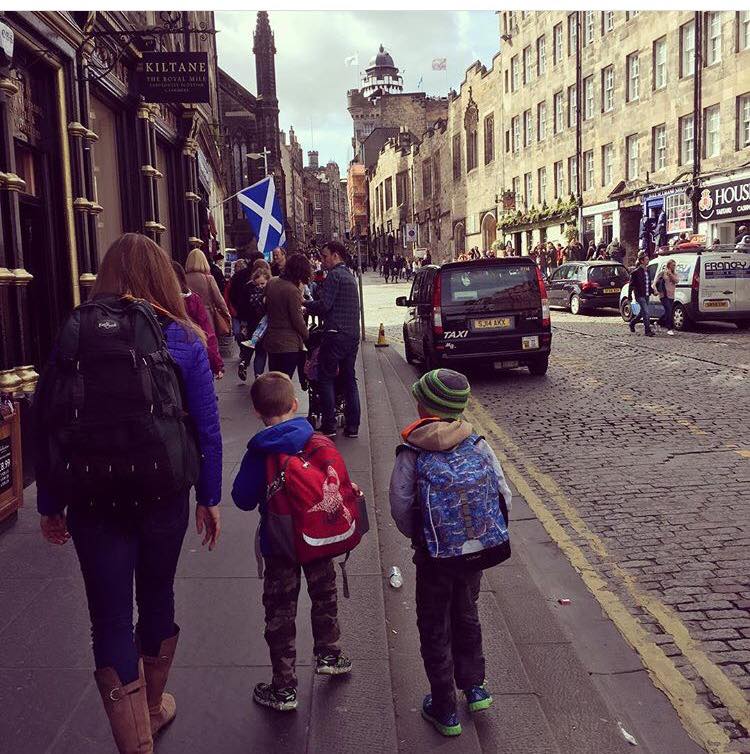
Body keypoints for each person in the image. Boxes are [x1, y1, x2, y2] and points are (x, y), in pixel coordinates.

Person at [35, 233, 222, 753]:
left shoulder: (76, 335)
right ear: (164, 276)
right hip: (164, 496)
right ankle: (155, 706)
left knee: (110, 617)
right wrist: (209, 496)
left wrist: (51, 505)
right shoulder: (184, 339)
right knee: (157, 595)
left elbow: (49, 422)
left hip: (92, 501)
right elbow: (206, 427)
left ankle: (134, 741)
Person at [389, 369, 512, 738]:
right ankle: (475, 688)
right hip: (474, 554)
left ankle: (444, 708)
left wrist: (423, 536)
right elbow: (503, 494)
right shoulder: (477, 443)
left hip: (434, 558)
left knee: (434, 626)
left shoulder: (412, 449)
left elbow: (399, 503)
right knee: (467, 613)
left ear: (423, 407)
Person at [232, 372, 352, 712]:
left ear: (256, 412)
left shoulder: (259, 452)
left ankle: (284, 688)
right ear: (295, 404)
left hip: (279, 543)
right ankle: (330, 655)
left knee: (280, 612)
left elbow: (241, 498)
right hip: (317, 538)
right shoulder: (315, 439)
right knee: (324, 595)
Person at [303, 240, 361, 439]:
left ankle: (329, 425)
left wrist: (305, 303)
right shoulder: (349, 276)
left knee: (326, 378)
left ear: (336, 255)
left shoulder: (334, 276)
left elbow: (325, 306)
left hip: (335, 335)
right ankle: (353, 426)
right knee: (349, 379)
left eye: (325, 256)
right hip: (352, 335)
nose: (323, 260)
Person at [263, 253, 311, 384]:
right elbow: (297, 320)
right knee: (285, 382)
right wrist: (307, 336)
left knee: (274, 380)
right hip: (288, 344)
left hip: (272, 340)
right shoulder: (292, 290)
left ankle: (273, 404)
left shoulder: (272, 282)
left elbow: (265, 306)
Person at [172, 261, 224, 378]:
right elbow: (207, 333)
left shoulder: (156, 303)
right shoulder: (195, 296)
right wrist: (216, 364)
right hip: (194, 352)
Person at [185, 248, 231, 338]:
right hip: (207, 317)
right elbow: (219, 301)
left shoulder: (183, 279)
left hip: (189, 318)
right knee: (209, 344)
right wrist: (227, 316)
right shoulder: (209, 279)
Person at [629, 251, 654, 336]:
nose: (648, 260)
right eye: (646, 259)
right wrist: (630, 296)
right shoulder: (636, 272)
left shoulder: (648, 271)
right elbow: (631, 285)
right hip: (640, 295)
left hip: (646, 294)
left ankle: (632, 323)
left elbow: (648, 284)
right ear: (641, 261)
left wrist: (653, 291)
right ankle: (647, 330)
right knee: (646, 312)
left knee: (642, 313)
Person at [654, 258, 679, 336]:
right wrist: (656, 291)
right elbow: (655, 283)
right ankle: (669, 328)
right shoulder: (662, 273)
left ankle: (658, 322)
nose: (674, 267)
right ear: (668, 265)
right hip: (663, 295)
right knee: (668, 310)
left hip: (671, 295)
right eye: (672, 265)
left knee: (669, 311)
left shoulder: (674, 274)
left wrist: (670, 274)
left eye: (675, 265)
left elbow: (676, 281)